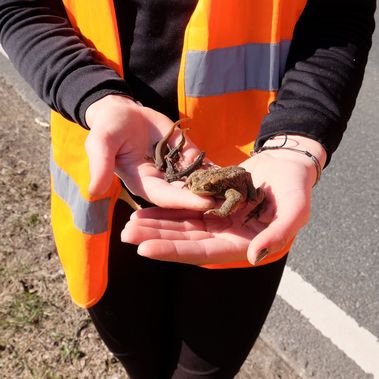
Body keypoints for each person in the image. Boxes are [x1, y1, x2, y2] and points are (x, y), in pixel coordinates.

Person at [0, 0, 375, 378]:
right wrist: (92, 93)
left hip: (247, 203)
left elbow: (340, 15)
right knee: (140, 358)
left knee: (205, 369)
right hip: (108, 184)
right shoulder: (188, 173)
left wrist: (294, 145)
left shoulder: (226, 192)